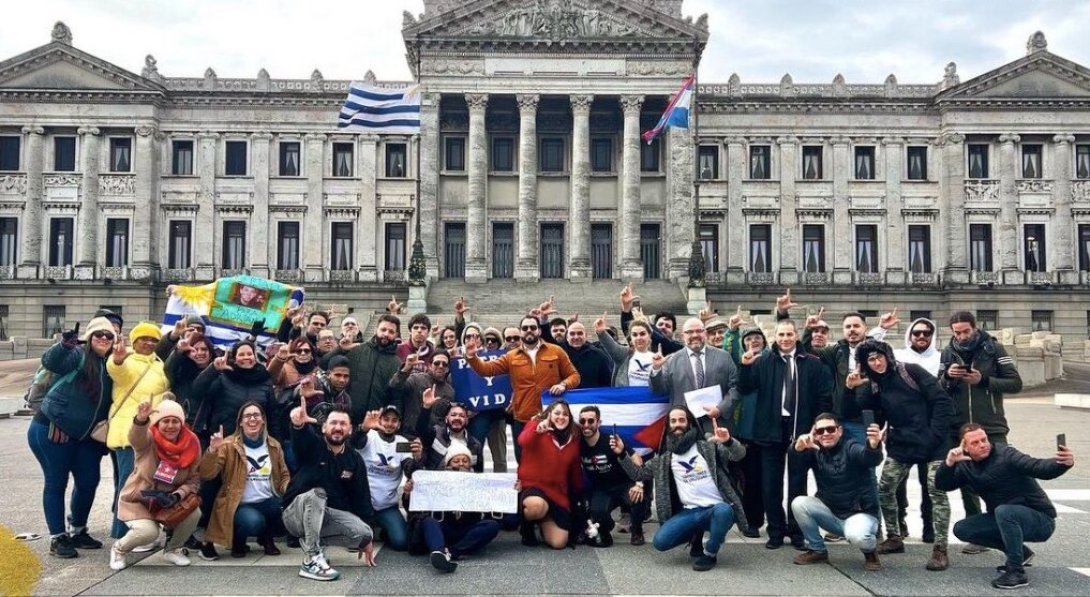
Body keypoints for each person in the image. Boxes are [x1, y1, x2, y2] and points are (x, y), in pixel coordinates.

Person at [935, 423, 1076, 589]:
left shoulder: (1006, 454)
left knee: (1005, 511)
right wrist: (949, 463)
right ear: (965, 447)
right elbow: (942, 485)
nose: (982, 444)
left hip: (1040, 520)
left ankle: (1017, 572)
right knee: (962, 529)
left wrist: (1063, 463)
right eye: (975, 443)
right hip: (1006, 517)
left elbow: (1037, 467)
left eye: (984, 439)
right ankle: (1021, 553)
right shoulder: (966, 465)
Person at [854, 339, 954, 571]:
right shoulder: (875, 384)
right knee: (885, 489)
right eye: (870, 359)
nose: (876, 362)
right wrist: (857, 387)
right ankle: (894, 537)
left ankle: (940, 548)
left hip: (933, 443)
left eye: (879, 357)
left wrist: (935, 434)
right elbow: (869, 413)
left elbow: (941, 400)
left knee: (936, 491)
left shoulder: (910, 371)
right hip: (902, 444)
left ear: (887, 356)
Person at [738, 319, 833, 550]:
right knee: (771, 485)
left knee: (797, 485)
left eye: (789, 334)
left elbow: (823, 397)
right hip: (770, 429)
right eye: (781, 334)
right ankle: (776, 531)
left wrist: (816, 427)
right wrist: (745, 366)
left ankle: (797, 531)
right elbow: (746, 388)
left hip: (801, 430)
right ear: (775, 336)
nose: (785, 339)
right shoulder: (764, 361)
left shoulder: (812, 363)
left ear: (797, 336)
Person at [618, 407, 748, 571]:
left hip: (717, 508)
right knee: (661, 542)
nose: (677, 424)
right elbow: (639, 474)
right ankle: (696, 534)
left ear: (690, 423)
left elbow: (739, 454)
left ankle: (710, 553)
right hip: (690, 512)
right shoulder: (665, 458)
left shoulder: (707, 445)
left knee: (723, 511)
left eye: (681, 420)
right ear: (668, 426)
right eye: (673, 421)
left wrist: (728, 441)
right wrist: (622, 453)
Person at [28, 316, 115, 558]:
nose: (104, 339)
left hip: (84, 436)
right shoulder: (76, 354)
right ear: (89, 337)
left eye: (109, 336)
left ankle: (78, 530)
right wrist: (63, 345)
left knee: (89, 481)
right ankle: (58, 537)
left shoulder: (110, 363)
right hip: (52, 429)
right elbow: (52, 362)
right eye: (99, 334)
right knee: (56, 482)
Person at [939, 311, 1023, 555]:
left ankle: (1006, 527)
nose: (962, 336)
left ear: (975, 328)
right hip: (960, 426)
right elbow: (939, 388)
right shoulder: (947, 351)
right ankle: (979, 534)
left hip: (991, 425)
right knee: (968, 479)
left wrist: (983, 380)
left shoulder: (994, 349)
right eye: (957, 332)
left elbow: (1015, 383)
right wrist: (948, 377)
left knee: (1000, 478)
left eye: (966, 331)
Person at [190, 340, 278, 559]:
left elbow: (272, 413)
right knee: (213, 491)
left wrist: (275, 441)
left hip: (255, 445)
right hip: (225, 443)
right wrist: (213, 369)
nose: (246, 358)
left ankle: (259, 537)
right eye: (241, 354)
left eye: (250, 354)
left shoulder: (265, 380)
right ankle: (209, 541)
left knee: (261, 490)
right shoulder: (223, 376)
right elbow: (197, 390)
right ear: (234, 357)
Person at [282, 400, 377, 581]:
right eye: (333, 423)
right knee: (318, 493)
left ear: (350, 430)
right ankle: (311, 560)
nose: (338, 427)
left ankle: (314, 541)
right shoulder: (312, 446)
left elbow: (361, 497)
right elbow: (301, 439)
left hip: (325, 515)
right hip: (294, 514)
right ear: (324, 427)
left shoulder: (354, 459)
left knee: (364, 533)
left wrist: (368, 538)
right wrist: (298, 425)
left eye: (343, 424)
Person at [465, 315, 580, 463]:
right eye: (525, 328)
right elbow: (487, 370)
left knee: (553, 461)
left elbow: (574, 376)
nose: (529, 331)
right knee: (525, 460)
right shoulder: (511, 356)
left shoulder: (556, 351)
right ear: (521, 332)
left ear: (539, 331)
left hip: (552, 418)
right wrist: (471, 356)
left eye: (533, 327)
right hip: (523, 418)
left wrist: (563, 384)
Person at [109, 397, 202, 570]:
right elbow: (135, 437)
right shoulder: (148, 440)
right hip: (139, 499)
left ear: (181, 424)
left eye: (175, 421)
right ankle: (119, 549)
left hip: (168, 501)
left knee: (194, 512)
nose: (170, 425)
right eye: (165, 421)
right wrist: (141, 420)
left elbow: (193, 479)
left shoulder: (192, 444)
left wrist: (178, 495)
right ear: (157, 423)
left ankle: (173, 549)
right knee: (149, 533)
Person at [790, 413, 885, 571]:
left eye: (830, 429)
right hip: (832, 515)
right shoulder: (815, 451)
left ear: (840, 431)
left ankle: (870, 552)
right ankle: (817, 550)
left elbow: (869, 459)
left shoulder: (851, 446)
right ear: (816, 434)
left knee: (857, 535)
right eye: (821, 431)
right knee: (799, 503)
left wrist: (873, 446)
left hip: (860, 514)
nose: (826, 434)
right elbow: (796, 468)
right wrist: (797, 448)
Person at [198, 402, 290, 558]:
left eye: (256, 415)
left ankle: (266, 539)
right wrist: (213, 450)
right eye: (247, 416)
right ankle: (237, 542)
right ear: (240, 422)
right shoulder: (228, 445)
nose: (252, 419)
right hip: (239, 503)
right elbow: (207, 474)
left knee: (281, 509)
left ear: (263, 420)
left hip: (267, 500)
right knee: (254, 521)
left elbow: (284, 474)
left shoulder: (274, 445)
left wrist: (288, 491)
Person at [105, 322, 170, 540]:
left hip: (150, 432)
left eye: (153, 340)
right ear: (135, 341)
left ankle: (133, 529)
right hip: (129, 432)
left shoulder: (159, 363)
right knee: (128, 484)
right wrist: (118, 359)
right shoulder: (128, 360)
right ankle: (122, 533)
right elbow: (118, 372)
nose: (149, 343)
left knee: (138, 483)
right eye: (144, 339)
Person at [411, 444, 503, 573]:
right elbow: (417, 505)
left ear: (470, 465)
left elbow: (495, 509)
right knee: (428, 521)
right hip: (444, 528)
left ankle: (451, 553)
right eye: (456, 460)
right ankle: (438, 551)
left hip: (466, 530)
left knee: (492, 525)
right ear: (448, 464)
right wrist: (408, 493)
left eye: (465, 461)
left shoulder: (479, 481)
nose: (461, 464)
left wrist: (510, 492)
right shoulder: (435, 480)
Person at [893, 317, 941, 543]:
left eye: (926, 333)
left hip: (929, 428)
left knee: (929, 481)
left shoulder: (940, 358)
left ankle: (928, 525)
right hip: (902, 426)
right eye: (917, 333)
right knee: (897, 480)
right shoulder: (898, 356)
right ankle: (900, 520)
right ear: (909, 335)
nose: (921, 337)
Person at [650, 317, 738, 435]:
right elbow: (659, 389)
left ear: (705, 333)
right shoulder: (671, 360)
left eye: (699, 331)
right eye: (690, 332)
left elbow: (736, 387)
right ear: (682, 336)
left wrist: (720, 409)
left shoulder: (724, 357)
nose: (695, 335)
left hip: (717, 425)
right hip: (684, 427)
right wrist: (656, 369)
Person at [577, 406, 648, 546]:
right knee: (597, 514)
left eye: (591, 421)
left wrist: (639, 483)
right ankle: (605, 528)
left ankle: (637, 530)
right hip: (602, 489)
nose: (586, 425)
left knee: (638, 497)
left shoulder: (611, 439)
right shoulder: (577, 443)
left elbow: (636, 458)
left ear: (599, 423)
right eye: (582, 421)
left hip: (624, 484)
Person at [517, 400, 583, 549]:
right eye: (557, 413)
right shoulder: (536, 425)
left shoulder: (573, 437)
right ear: (549, 414)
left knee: (559, 543)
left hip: (557, 492)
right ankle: (526, 529)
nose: (561, 417)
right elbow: (522, 441)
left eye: (565, 414)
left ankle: (543, 521)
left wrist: (579, 492)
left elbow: (574, 468)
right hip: (533, 486)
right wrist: (537, 431)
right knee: (536, 506)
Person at [352, 405, 420, 551]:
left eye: (394, 420)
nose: (389, 424)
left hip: (386, 505)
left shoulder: (402, 442)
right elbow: (355, 442)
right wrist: (363, 428)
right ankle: (367, 525)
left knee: (401, 543)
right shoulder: (370, 436)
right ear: (380, 420)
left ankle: (384, 528)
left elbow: (409, 470)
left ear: (399, 424)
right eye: (386, 419)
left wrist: (417, 458)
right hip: (363, 504)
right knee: (355, 545)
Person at [321, 314, 402, 425]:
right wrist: (340, 349)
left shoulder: (397, 363)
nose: (386, 334)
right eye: (383, 329)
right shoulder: (357, 350)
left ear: (396, 335)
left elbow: (396, 396)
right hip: (348, 419)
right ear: (375, 330)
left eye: (391, 332)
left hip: (376, 424)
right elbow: (324, 364)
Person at [389, 349, 454, 442]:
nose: (440, 366)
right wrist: (406, 368)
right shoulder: (416, 379)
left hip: (432, 441)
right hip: (409, 436)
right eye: (437, 363)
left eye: (444, 364)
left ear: (448, 368)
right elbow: (394, 386)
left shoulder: (450, 392)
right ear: (430, 365)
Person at [416, 388, 484, 471]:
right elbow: (421, 429)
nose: (457, 418)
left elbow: (479, 474)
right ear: (446, 419)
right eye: (453, 415)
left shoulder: (476, 445)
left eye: (461, 416)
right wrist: (426, 407)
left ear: (467, 421)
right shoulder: (435, 433)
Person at [594, 317, 655, 387]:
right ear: (631, 339)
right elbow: (612, 347)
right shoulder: (624, 354)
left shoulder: (656, 358)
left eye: (642, 334)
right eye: (635, 335)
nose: (639, 338)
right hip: (626, 397)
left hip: (648, 397)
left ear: (649, 336)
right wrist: (602, 333)